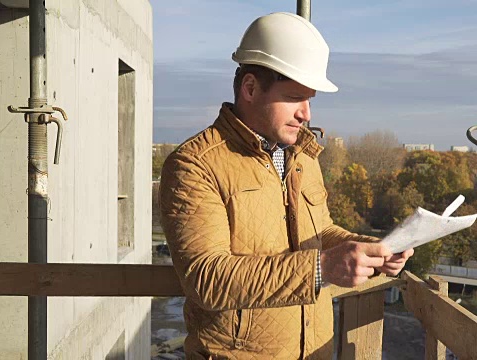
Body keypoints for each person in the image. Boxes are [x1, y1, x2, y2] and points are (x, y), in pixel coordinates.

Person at [159, 12, 414, 359]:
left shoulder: (303, 157)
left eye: (310, 100)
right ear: (250, 88)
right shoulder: (195, 165)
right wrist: (323, 267)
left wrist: (373, 248)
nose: (306, 114)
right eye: (295, 98)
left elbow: (320, 232)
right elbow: (207, 278)